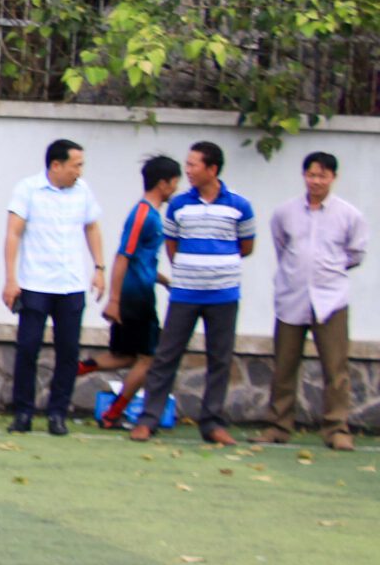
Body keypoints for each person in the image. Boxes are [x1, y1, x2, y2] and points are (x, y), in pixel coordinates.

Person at [138, 141, 257, 448]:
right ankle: (148, 419)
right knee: (166, 356)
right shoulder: (178, 205)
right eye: (187, 164)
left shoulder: (240, 205)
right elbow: (172, 245)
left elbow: (246, 246)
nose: (187, 171)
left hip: (224, 294)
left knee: (220, 359)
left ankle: (212, 423)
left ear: (212, 169)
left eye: (193, 165)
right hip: (185, 293)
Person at [1, 138, 107, 436]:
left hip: (71, 284)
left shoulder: (83, 191)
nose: (79, 172)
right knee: (28, 348)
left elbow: (92, 227)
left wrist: (99, 268)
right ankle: (23, 412)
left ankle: (58, 413)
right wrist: (10, 279)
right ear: (56, 165)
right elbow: (13, 234)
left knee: (68, 351)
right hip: (34, 283)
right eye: (76, 165)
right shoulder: (28, 189)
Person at [262, 152, 366, 451]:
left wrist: (327, 272)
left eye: (322, 175)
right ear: (304, 176)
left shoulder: (349, 215)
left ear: (333, 177)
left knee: (335, 369)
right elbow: (281, 247)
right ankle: (278, 426)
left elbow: (355, 255)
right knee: (284, 366)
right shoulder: (285, 213)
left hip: (331, 300)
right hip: (291, 298)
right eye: (311, 175)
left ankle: (336, 429)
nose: (316, 181)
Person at [92, 156, 179, 432]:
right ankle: (113, 414)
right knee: (148, 359)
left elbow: (143, 261)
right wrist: (114, 300)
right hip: (136, 297)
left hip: (140, 292)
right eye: (175, 182)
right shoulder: (143, 215)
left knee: (126, 356)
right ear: (163, 184)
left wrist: (164, 281)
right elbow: (123, 256)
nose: (176, 188)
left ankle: (74, 369)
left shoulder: (151, 215)